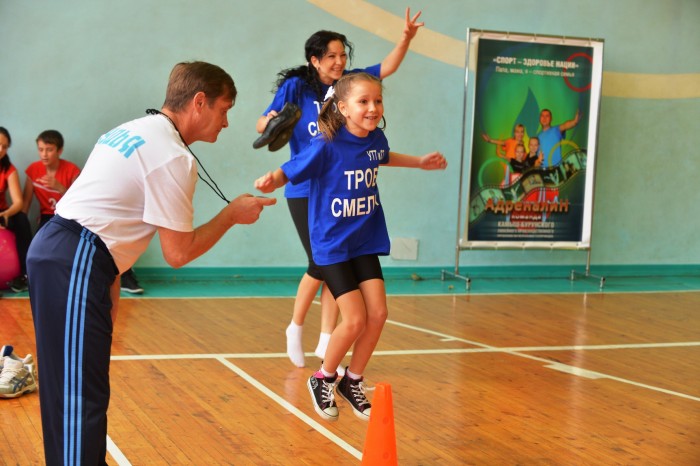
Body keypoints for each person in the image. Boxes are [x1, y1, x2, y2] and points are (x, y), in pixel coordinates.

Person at [27, 61, 276, 465]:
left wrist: (108, 293)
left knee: (71, 388)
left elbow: (107, 221)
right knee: (78, 395)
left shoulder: (130, 130)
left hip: (63, 250)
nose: (227, 122)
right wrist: (231, 216)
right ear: (200, 102)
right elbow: (178, 253)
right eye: (224, 109)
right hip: (75, 258)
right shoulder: (173, 157)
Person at [255, 72, 447, 421]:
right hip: (331, 245)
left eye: (377, 101)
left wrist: (419, 162)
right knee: (355, 319)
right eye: (363, 102)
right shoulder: (327, 144)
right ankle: (323, 377)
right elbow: (291, 167)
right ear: (342, 107)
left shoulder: (375, 139)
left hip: (365, 239)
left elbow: (384, 156)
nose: (372, 108)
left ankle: (352, 379)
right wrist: (274, 179)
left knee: (378, 315)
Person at [255, 7, 425, 370]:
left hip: (340, 186)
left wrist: (406, 38)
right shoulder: (297, 87)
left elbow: (387, 68)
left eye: (343, 55)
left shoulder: (352, 86)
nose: (339, 61)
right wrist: (269, 122)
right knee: (321, 262)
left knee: (340, 265)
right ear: (314, 60)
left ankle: (327, 336)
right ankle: (296, 327)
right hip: (305, 184)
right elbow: (263, 123)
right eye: (331, 55)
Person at [22, 130, 81, 229]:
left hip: (68, 216)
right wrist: (21, 222)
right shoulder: (33, 169)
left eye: (49, 150)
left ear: (60, 151)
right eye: (40, 149)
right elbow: (26, 202)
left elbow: (79, 203)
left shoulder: (72, 170)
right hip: (47, 216)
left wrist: (60, 188)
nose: (44, 154)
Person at [0, 127, 33, 293]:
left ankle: (25, 275)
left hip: (2, 213)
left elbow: (18, 202)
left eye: (5, 147)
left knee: (21, 219)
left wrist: (5, 214)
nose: (1, 150)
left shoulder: (9, 170)